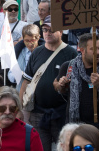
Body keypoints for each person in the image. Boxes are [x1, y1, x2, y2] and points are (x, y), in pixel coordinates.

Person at [20, 15, 78, 151]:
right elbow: (26, 82)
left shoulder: (71, 53)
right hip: (38, 114)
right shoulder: (37, 52)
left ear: (61, 31)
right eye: (45, 30)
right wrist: (20, 108)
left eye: (51, 30)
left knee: (64, 148)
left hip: (62, 114)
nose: (48, 33)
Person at [55, 33, 99, 150]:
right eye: (93, 49)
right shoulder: (68, 66)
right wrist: (61, 85)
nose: (98, 52)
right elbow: (56, 86)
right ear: (82, 50)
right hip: (75, 129)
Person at [9, 24, 44, 92]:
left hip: (39, 91)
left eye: (32, 40)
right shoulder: (18, 52)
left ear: (38, 37)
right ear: (23, 39)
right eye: (27, 41)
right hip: (21, 90)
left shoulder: (44, 52)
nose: (30, 44)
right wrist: (17, 75)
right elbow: (10, 74)